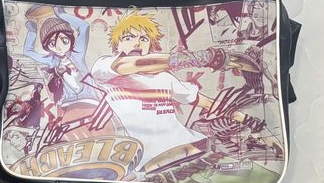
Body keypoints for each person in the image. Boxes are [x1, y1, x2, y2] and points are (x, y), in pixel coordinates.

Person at [89, 11, 264, 172]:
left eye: (144, 38)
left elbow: (208, 104)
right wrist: (204, 58)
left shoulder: (165, 78)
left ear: (151, 45)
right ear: (117, 45)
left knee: (257, 175)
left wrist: (248, 120)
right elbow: (134, 64)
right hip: (154, 166)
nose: (136, 43)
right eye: (128, 38)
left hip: (196, 150)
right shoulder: (104, 68)